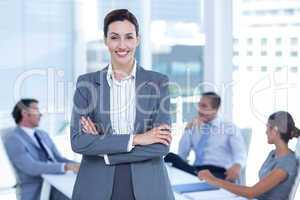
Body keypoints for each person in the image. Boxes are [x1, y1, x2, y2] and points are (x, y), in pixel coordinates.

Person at [70, 9, 174, 200]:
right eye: (115, 37)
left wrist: (104, 149)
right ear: (106, 40)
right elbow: (78, 141)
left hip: (148, 186)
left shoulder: (159, 83)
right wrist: (137, 139)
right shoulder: (86, 84)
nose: (122, 45)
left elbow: (161, 146)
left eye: (128, 37)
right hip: (96, 185)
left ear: (137, 40)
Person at [199, 111, 299, 200]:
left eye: (268, 127)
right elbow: (257, 192)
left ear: (275, 130)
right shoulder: (273, 154)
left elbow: (251, 192)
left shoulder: (287, 163)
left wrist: (213, 180)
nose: (266, 131)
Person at [4, 99, 80, 200]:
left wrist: (81, 166)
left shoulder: (42, 134)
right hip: (36, 190)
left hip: (56, 184)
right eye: (36, 109)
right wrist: (66, 167)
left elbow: (58, 158)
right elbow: (31, 167)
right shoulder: (13, 139)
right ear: (25, 113)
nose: (40, 114)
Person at [165, 92, 247, 181]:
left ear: (215, 109)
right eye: (199, 105)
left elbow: (240, 153)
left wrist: (237, 166)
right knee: (170, 157)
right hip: (197, 170)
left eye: (204, 106)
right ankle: (197, 177)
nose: (199, 110)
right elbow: (182, 154)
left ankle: (201, 178)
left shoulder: (229, 128)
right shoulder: (195, 127)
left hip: (219, 172)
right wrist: (188, 129)